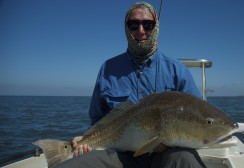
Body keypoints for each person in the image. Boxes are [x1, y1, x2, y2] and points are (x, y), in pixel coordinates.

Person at [56, 2, 206, 168]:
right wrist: (87, 139)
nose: (141, 31)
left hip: (164, 155)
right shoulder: (108, 69)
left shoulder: (177, 70)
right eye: (134, 24)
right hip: (119, 156)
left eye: (148, 25)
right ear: (126, 28)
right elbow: (97, 118)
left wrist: (169, 142)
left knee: (186, 159)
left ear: (156, 28)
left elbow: (197, 116)